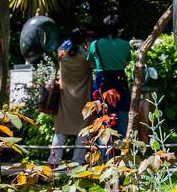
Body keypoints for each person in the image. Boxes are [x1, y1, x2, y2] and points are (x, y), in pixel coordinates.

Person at [87, 15, 133, 155]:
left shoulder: (95, 44)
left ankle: (105, 156)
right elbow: (126, 61)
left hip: (102, 82)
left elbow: (90, 62)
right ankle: (121, 155)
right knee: (122, 115)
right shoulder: (125, 44)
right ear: (119, 29)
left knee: (104, 117)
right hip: (120, 81)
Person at [50, 28, 92, 166]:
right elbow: (94, 65)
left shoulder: (62, 54)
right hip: (83, 99)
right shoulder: (85, 56)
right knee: (82, 130)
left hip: (65, 98)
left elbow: (62, 48)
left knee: (61, 130)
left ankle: (54, 160)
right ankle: (77, 162)